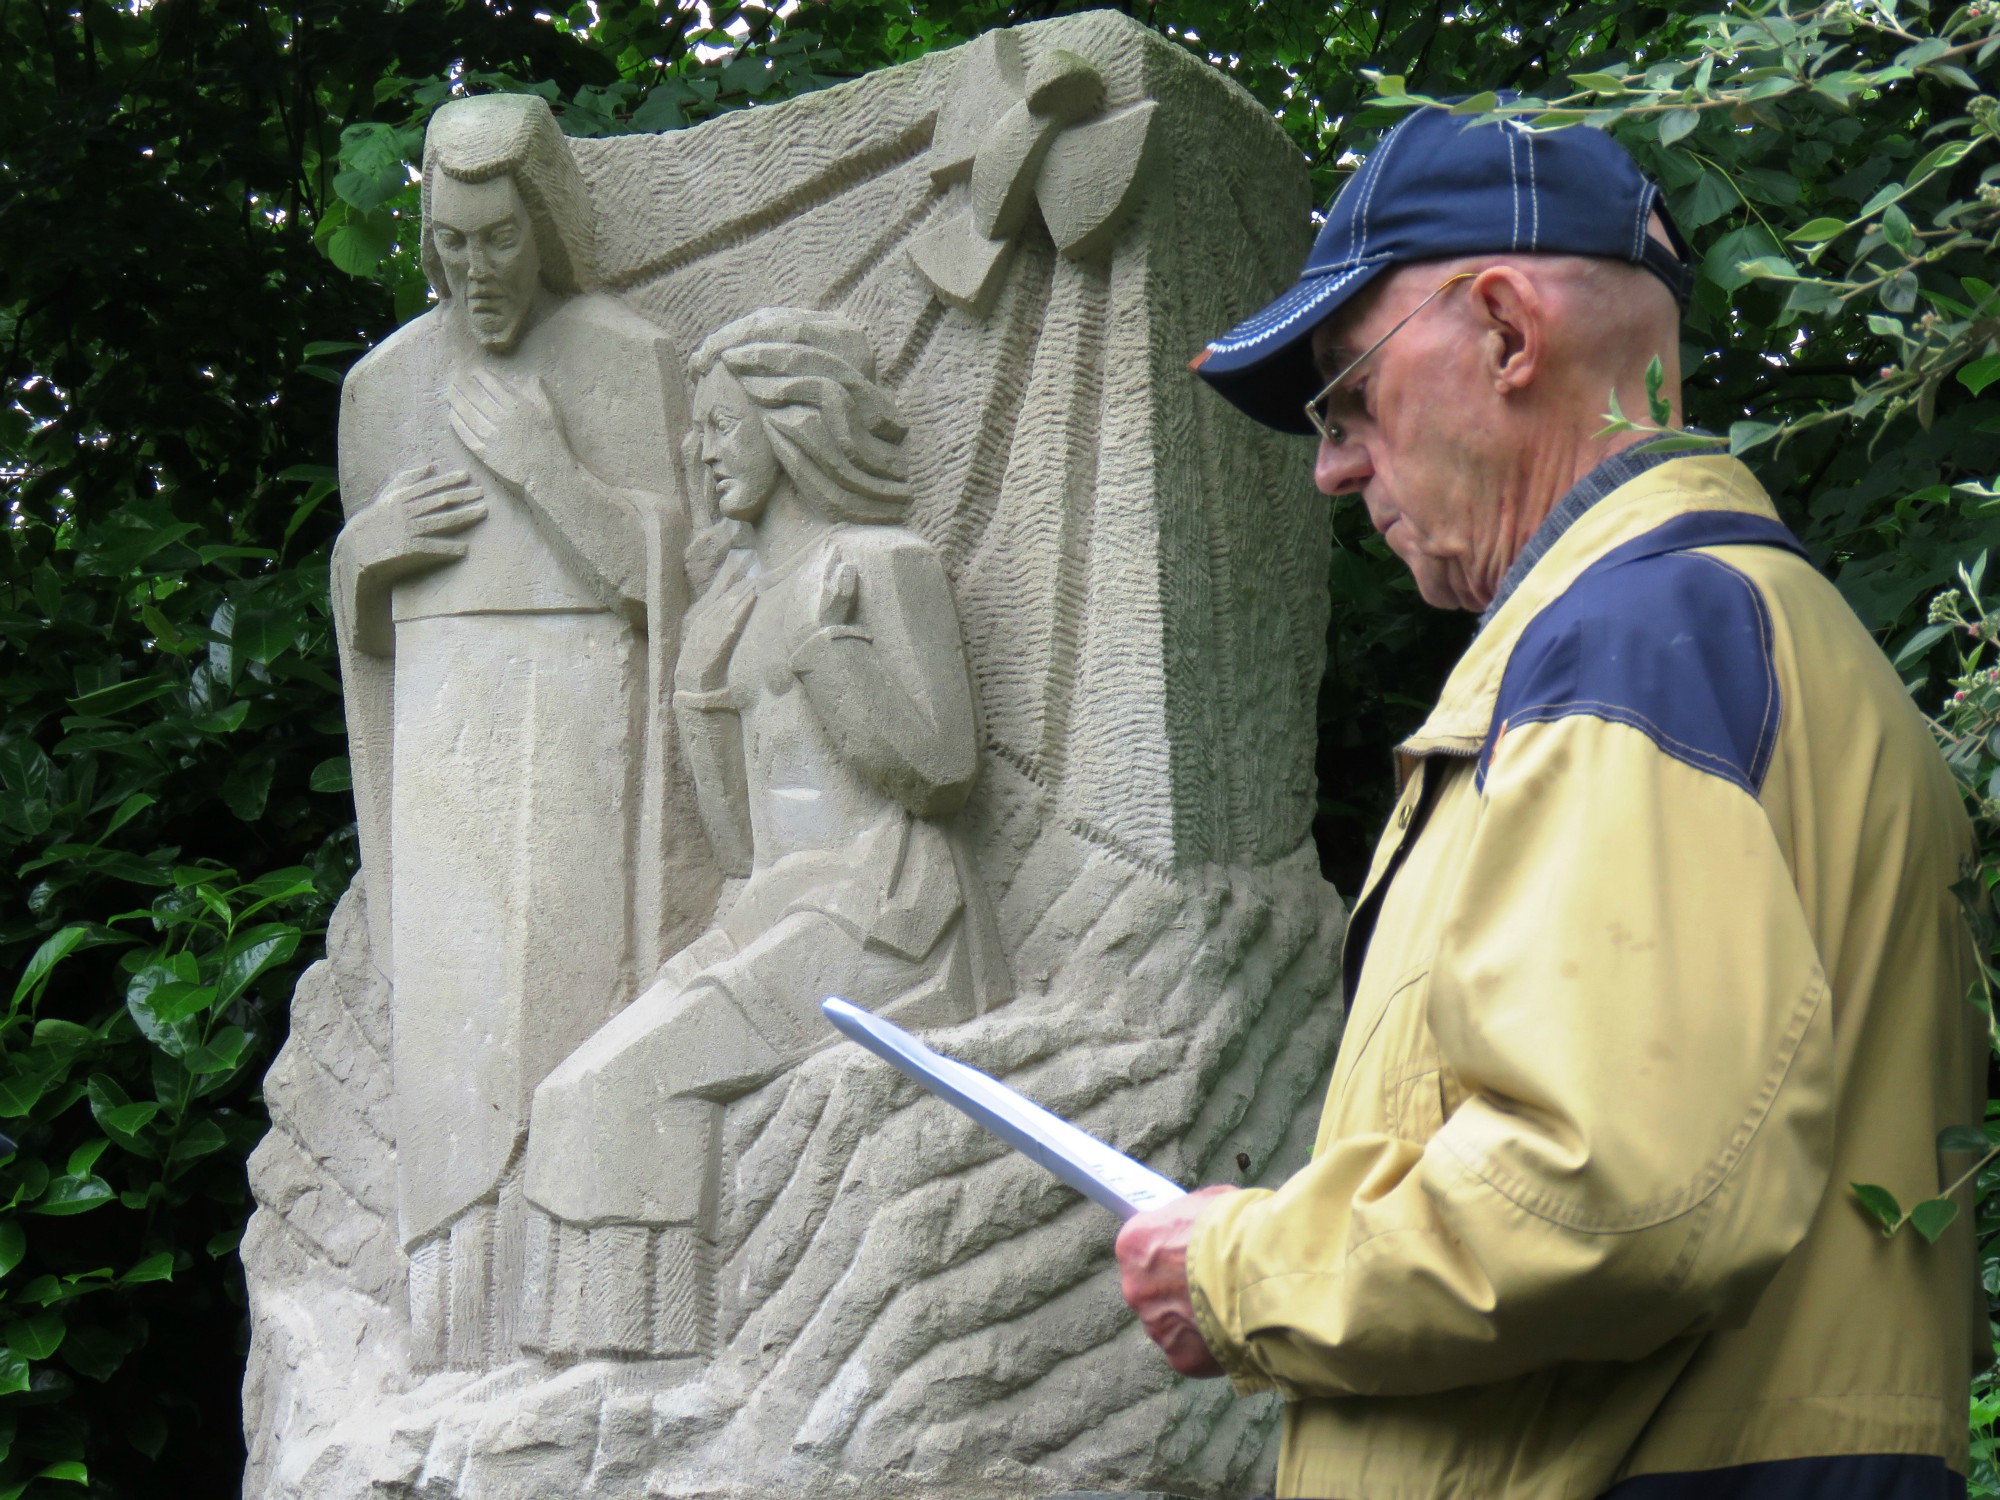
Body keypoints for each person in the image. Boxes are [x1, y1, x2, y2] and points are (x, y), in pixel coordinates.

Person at [1115, 104, 1987, 1497]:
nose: (1336, 465)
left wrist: (1242, 1266)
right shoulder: (1763, 632)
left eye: (1347, 394)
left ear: (1509, 332)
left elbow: (1611, 1197)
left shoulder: (1634, 645)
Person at [518, 306, 1008, 1358]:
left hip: (887, 920)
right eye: (695, 429)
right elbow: (741, 846)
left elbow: (938, 769)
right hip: (774, 914)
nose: (699, 453)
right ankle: (610, 1368)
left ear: (793, 426)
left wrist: (830, 650)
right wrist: (704, 671)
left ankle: (631, 1366)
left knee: (611, 1089)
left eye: (719, 424)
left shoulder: (880, 564)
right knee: (568, 1095)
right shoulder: (741, 597)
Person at [332, 92, 710, 1368]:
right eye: (451, 243)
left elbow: (675, 589)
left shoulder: (621, 358)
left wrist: (547, 472)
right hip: (441, 722)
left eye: (499, 239)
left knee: (557, 1019)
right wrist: (366, 557)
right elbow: (364, 638)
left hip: (578, 718)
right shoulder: (383, 388)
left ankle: (561, 1338)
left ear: (544, 227)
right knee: (451, 1046)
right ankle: (447, 1357)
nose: (475, 271)